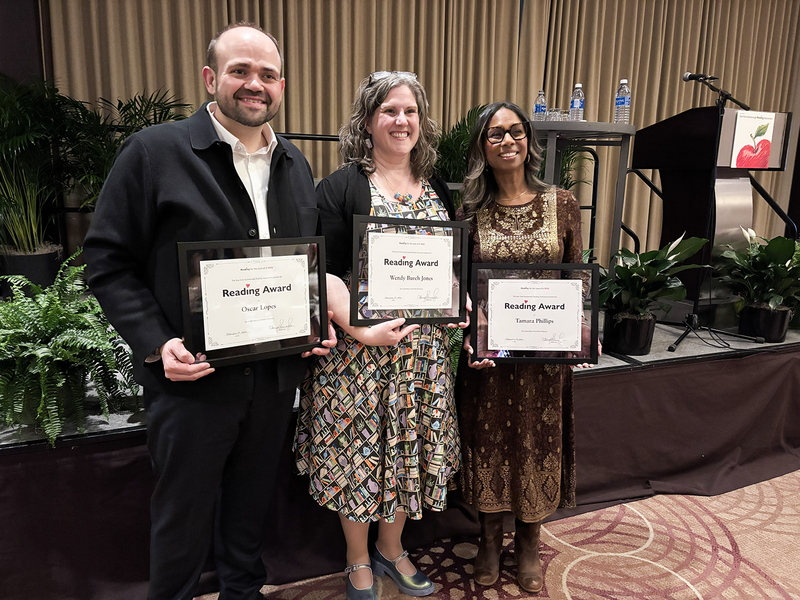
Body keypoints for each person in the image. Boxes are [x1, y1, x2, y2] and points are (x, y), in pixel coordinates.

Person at [84, 23, 333, 600]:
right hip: (193, 384)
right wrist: (154, 341)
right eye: (240, 70)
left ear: (282, 86)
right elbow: (106, 260)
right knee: (182, 524)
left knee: (248, 520)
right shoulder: (153, 152)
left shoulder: (294, 164)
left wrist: (312, 325)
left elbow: (300, 266)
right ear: (209, 78)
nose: (255, 84)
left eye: (267, 75)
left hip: (272, 382)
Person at [294, 71, 462, 600]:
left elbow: (448, 266)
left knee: (407, 452)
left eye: (410, 111)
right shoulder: (341, 186)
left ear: (421, 121)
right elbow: (317, 266)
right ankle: (357, 558)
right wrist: (358, 327)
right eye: (389, 110)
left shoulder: (434, 188)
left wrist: (462, 302)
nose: (401, 120)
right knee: (359, 456)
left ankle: (392, 549)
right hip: (359, 357)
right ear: (368, 120)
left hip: (421, 358)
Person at [457, 102, 596, 593]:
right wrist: (472, 332)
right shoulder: (470, 210)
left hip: (545, 357)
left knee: (537, 443)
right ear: (483, 146)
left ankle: (531, 542)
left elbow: (577, 274)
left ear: (528, 139)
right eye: (495, 134)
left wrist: (583, 328)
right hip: (489, 359)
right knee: (490, 441)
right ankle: (490, 540)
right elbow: (461, 285)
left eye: (515, 131)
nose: (506, 141)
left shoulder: (562, 203)